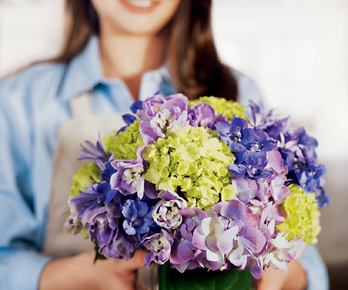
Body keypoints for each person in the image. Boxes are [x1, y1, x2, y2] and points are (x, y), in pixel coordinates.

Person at [0, 1, 328, 290]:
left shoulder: (237, 91)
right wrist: (79, 275)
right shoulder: (20, 102)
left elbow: (304, 259)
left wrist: (283, 274)